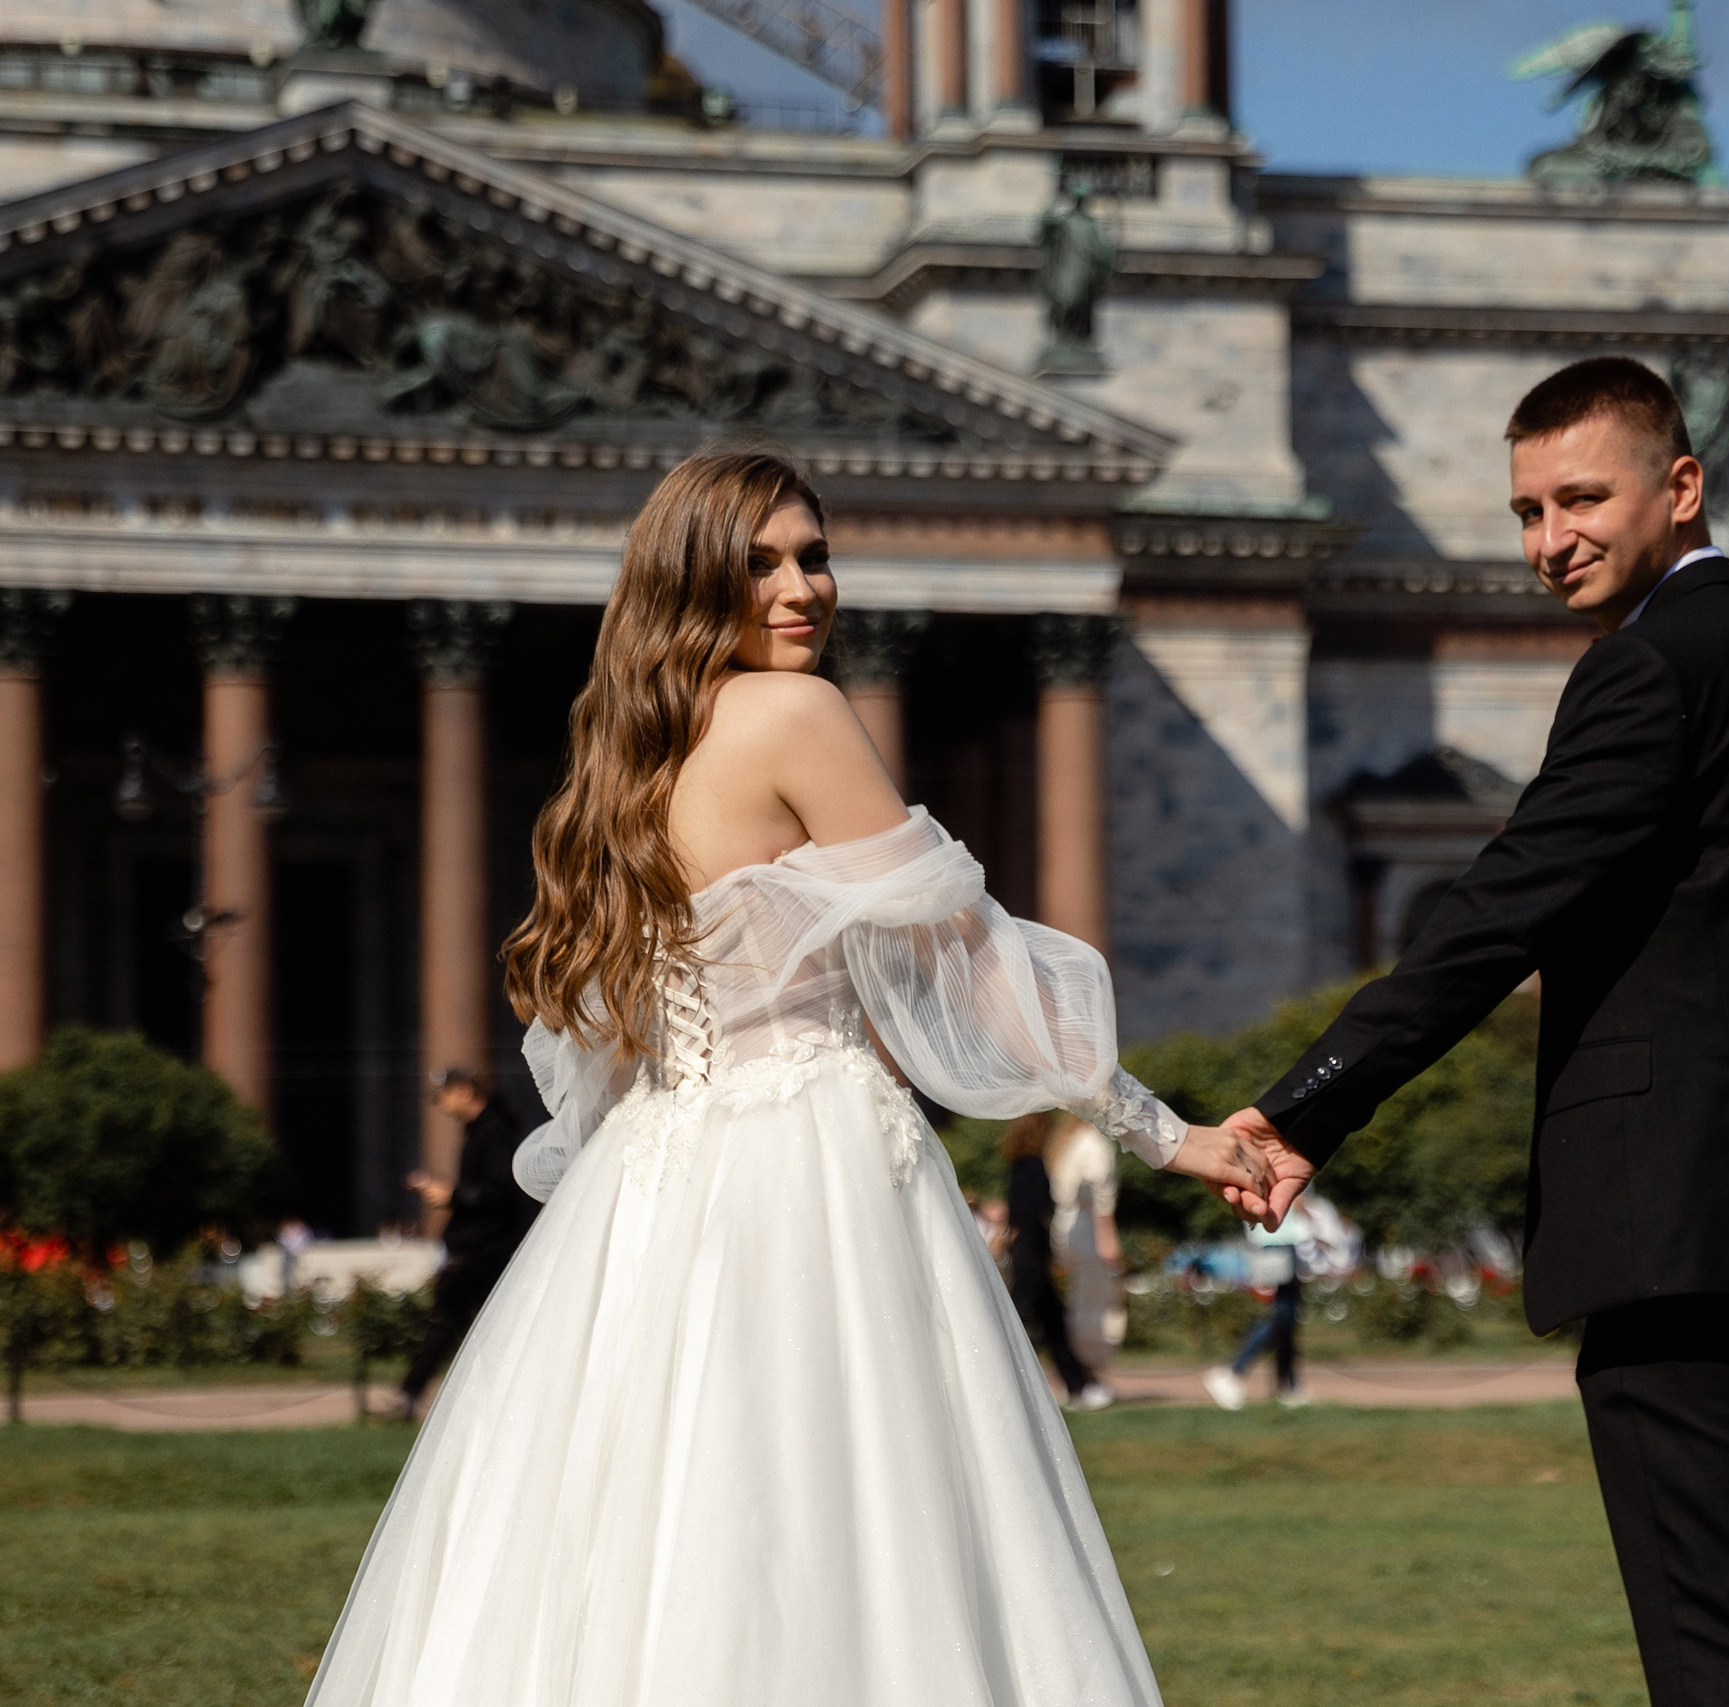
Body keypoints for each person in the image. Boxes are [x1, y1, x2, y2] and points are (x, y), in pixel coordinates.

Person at [303, 449, 1278, 1706]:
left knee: (644, 1524)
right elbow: (966, 960)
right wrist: (1166, 1133)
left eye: (812, 554)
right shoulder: (794, 716)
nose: (800, 587)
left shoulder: (625, 762)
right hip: (807, 1169)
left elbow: (617, 1042)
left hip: (646, 1191)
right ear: (693, 579)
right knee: (850, 1513)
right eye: (760, 562)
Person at [1221, 358, 1729, 1707]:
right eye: (1525, 510)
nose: (1548, 538)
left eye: (1581, 496)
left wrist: (1306, 1103)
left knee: (1721, 1655)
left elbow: (1499, 911)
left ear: (1681, 487)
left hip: (1691, 1230)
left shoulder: (1645, 672)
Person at [396, 1067, 536, 1420]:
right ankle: (417, 1393)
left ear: (464, 1090)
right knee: (481, 1324)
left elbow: (503, 1192)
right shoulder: (481, 1130)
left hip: (488, 1248)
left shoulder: (495, 1131)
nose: (440, 1104)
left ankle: (411, 1394)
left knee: (449, 1319)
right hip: (483, 1246)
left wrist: (454, 1195)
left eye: (443, 1095)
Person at [1003, 1110, 1110, 1410]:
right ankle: (1075, 1385)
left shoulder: (1016, 1166)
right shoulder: (1036, 1167)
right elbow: (1032, 1211)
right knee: (1024, 1319)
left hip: (1025, 1251)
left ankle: (1077, 1386)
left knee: (1052, 1324)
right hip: (1032, 1252)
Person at [1203, 1205, 1311, 1411]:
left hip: (1275, 1243)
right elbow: (1297, 1202)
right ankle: (1233, 1372)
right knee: (1281, 1316)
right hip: (1276, 1243)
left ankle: (1288, 1386)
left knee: (1287, 1319)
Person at [1048, 1114, 1127, 1387]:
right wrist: (1108, 1238)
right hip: (1088, 1227)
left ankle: (1082, 1371)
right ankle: (1087, 1372)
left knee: (1080, 1298)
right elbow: (1100, 1191)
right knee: (1095, 1301)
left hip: (1067, 1225)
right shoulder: (1093, 1143)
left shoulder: (1067, 1142)